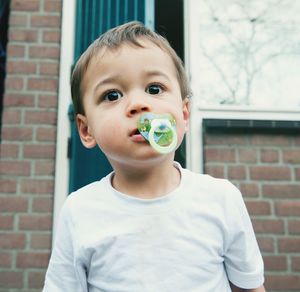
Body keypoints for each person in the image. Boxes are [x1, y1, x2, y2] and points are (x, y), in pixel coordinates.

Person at [43, 21, 265, 292]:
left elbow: (250, 287)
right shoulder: (79, 211)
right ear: (86, 130)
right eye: (112, 95)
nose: (139, 104)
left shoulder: (221, 199)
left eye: (154, 89)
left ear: (183, 115)